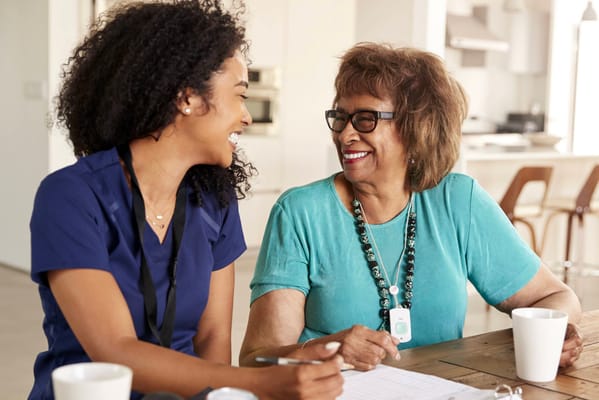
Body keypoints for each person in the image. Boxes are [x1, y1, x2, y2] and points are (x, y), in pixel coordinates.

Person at [28, 1, 344, 399]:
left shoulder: (215, 200)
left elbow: (213, 338)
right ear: (188, 98)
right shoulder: (71, 197)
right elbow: (115, 351)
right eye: (240, 95)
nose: (246, 116)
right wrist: (261, 384)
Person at [239, 42, 584, 372]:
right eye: (341, 118)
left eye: (365, 120)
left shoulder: (457, 201)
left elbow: (555, 297)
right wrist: (326, 350)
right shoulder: (300, 213)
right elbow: (258, 359)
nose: (345, 135)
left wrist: (556, 334)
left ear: (415, 127)